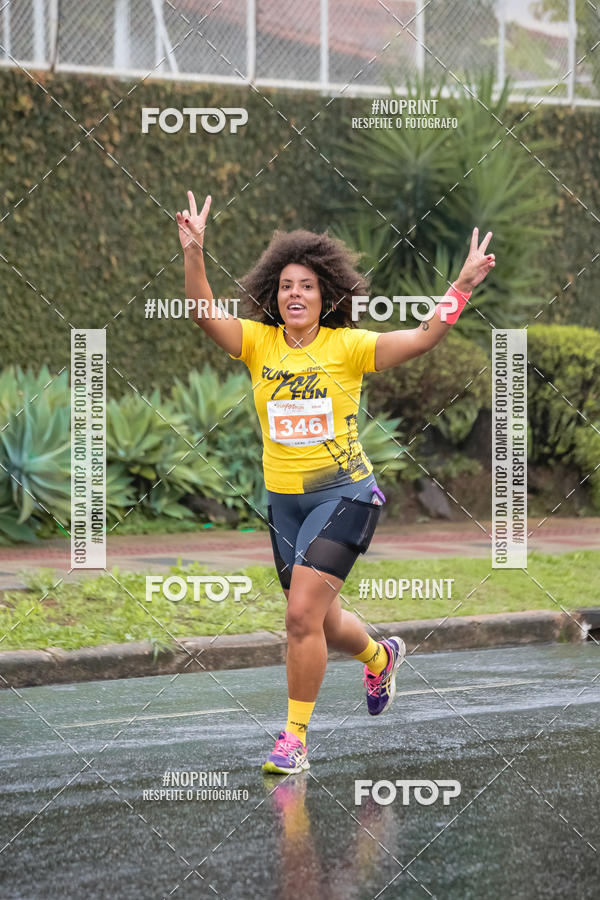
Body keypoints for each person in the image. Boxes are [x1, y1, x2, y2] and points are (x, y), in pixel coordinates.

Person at [176, 190, 495, 774]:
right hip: (285, 505)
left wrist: (464, 284)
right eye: (286, 285)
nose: (295, 294)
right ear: (274, 293)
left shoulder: (349, 347)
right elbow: (203, 313)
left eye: (307, 286)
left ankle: (294, 739)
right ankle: (379, 655)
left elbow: (423, 337)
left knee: (300, 616)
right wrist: (195, 252)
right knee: (320, 620)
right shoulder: (258, 342)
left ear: (327, 296)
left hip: (346, 495)